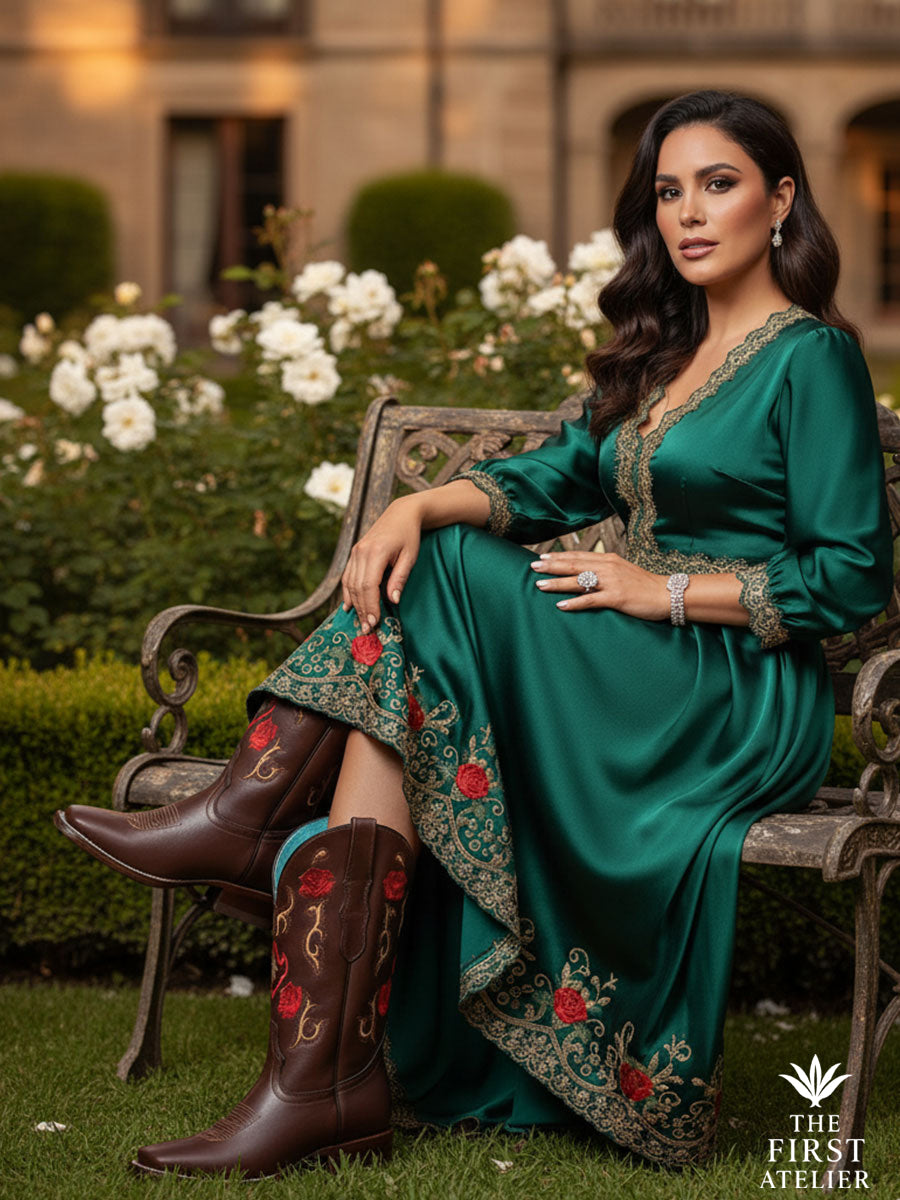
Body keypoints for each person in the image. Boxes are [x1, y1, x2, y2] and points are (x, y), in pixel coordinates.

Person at [55, 89, 894, 1178]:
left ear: (782, 199)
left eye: (719, 184)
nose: (689, 214)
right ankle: (317, 1085)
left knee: (443, 581)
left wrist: (664, 594)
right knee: (415, 639)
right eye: (668, 190)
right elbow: (558, 477)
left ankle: (255, 837)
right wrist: (418, 502)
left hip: (730, 687)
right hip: (631, 668)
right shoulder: (664, 354)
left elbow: (850, 577)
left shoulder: (810, 358)